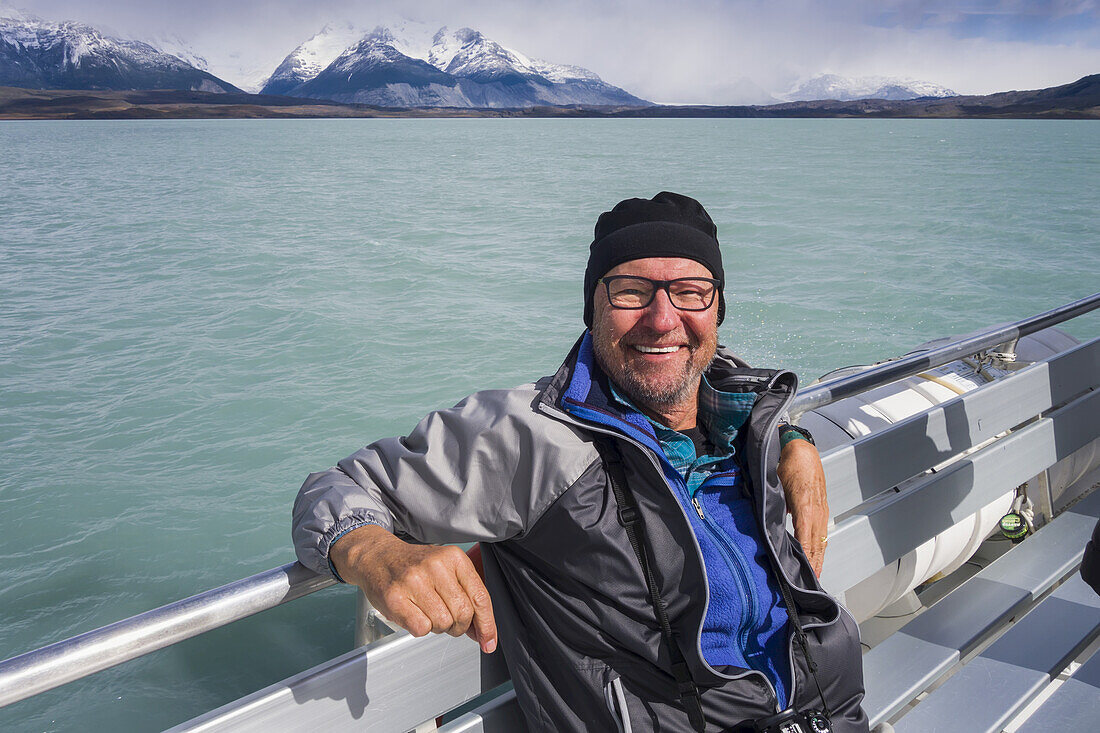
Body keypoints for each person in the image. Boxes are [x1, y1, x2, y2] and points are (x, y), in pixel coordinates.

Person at [293, 192, 868, 731]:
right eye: (630, 291)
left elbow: (740, 395)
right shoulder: (534, 438)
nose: (663, 318)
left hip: (835, 710)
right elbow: (337, 486)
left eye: (690, 291)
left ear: (717, 307)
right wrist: (373, 551)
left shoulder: (747, 418)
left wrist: (791, 438)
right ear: (592, 307)